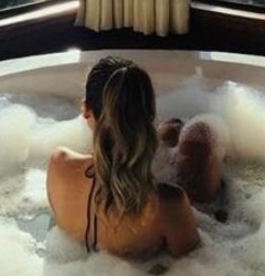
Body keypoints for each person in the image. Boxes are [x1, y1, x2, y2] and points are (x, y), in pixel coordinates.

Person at [47, 56, 221, 257]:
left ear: (85, 110)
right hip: (147, 266)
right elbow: (196, 265)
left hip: (89, 270)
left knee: (172, 131)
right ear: (150, 117)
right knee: (200, 134)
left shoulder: (58, 163)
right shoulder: (169, 203)